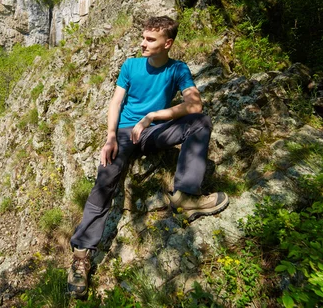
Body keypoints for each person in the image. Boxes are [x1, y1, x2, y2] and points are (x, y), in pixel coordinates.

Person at [67, 16, 229, 298]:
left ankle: (187, 196)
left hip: (154, 131)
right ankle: (81, 255)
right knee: (105, 181)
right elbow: (116, 101)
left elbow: (194, 104)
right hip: (123, 133)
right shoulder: (130, 65)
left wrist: (153, 116)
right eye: (143, 38)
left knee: (200, 121)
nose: (143, 43)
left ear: (168, 43)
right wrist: (109, 136)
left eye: (150, 40)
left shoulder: (178, 69)